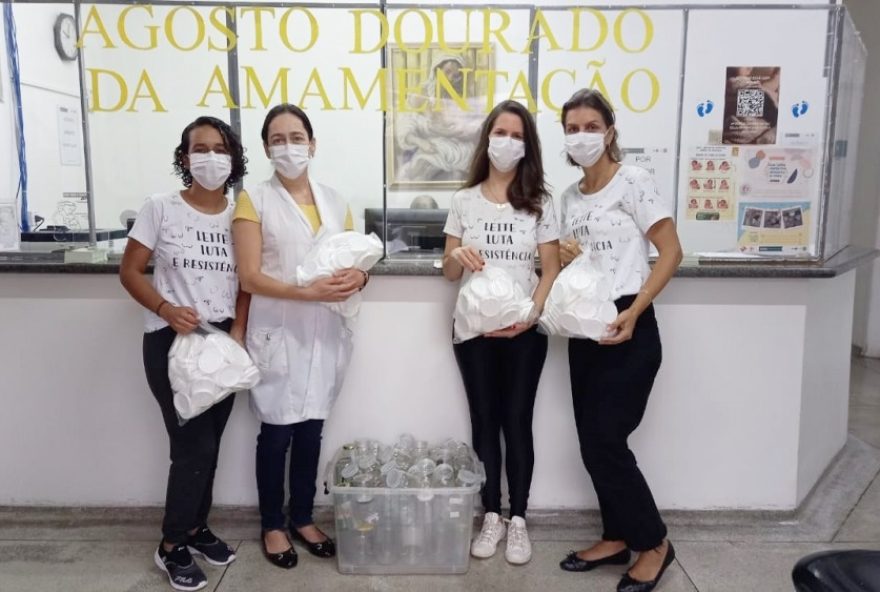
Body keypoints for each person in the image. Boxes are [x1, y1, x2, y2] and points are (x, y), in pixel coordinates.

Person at [555, 89, 682, 592]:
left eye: (590, 125)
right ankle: (615, 535)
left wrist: (635, 309)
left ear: (609, 130)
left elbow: (670, 251)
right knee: (591, 443)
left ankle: (653, 543)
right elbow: (580, 264)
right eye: (572, 127)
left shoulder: (635, 181)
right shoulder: (568, 197)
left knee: (608, 440)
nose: (581, 135)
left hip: (631, 325)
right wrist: (567, 254)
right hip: (586, 330)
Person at [119, 116, 249, 591]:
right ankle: (171, 545)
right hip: (171, 342)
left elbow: (248, 281)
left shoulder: (241, 214)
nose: (210, 157)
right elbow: (130, 271)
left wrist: (237, 329)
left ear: (233, 159)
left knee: (210, 446)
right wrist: (166, 308)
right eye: (200, 148)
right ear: (184, 156)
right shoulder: (161, 207)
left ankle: (196, 529)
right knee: (192, 448)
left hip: (222, 345)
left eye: (220, 148)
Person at [232, 104, 364, 569]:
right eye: (277, 138)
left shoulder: (334, 199)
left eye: (296, 136)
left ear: (313, 142)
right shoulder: (254, 200)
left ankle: (303, 517)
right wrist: (305, 293)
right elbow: (249, 277)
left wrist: (360, 279)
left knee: (311, 430)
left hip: (324, 332)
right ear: (266, 148)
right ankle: (272, 523)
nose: (288, 146)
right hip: (279, 330)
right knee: (276, 432)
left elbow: (354, 259)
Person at [442, 99, 561, 565]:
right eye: (500, 133)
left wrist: (529, 316)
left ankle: (519, 520)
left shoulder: (540, 202)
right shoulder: (463, 199)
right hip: (473, 331)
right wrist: (457, 257)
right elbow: (450, 272)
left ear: (527, 145)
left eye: (517, 135)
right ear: (486, 138)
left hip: (524, 331)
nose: (506, 142)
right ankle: (490, 513)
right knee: (484, 421)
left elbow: (550, 269)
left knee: (518, 420)